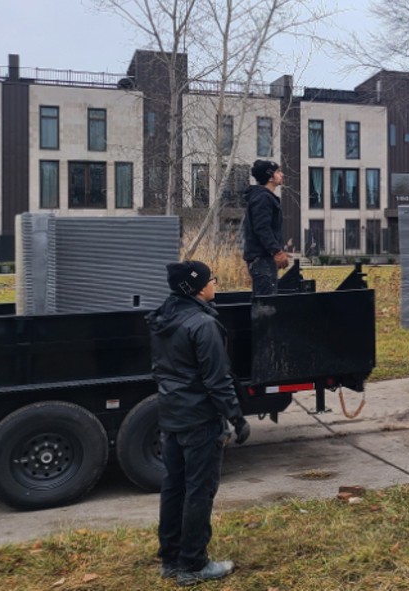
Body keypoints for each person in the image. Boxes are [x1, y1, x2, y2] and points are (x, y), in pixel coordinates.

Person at [148, 260, 250, 586]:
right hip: (200, 420)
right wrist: (236, 417)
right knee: (199, 492)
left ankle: (171, 557)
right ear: (197, 287)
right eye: (211, 279)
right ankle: (193, 565)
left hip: (172, 416)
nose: (215, 282)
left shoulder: (164, 317)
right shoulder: (202, 325)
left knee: (174, 488)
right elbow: (217, 380)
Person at [243, 159, 288, 296]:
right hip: (262, 259)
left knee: (262, 299)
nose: (282, 175)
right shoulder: (263, 198)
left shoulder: (263, 197)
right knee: (265, 304)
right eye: (278, 172)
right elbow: (262, 228)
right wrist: (277, 251)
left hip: (263, 259)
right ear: (270, 177)